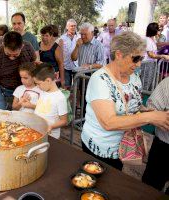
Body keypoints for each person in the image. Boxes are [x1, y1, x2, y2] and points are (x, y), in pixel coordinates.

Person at [80, 31, 169, 170]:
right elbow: (108, 122)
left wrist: (148, 111)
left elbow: (133, 105)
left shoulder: (134, 77)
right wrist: (149, 117)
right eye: (136, 58)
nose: (139, 64)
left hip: (121, 150)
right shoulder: (100, 79)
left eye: (142, 58)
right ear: (119, 55)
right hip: (100, 150)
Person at [142, 77, 169, 194]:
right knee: (149, 189)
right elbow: (151, 107)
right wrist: (162, 117)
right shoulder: (167, 83)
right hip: (163, 148)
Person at [32, 63, 68, 139]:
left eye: (38, 84)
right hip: (37, 131)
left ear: (48, 80)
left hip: (51, 135)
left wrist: (51, 126)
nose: (37, 87)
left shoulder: (60, 98)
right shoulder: (43, 91)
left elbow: (64, 121)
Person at [60, 19, 79, 89]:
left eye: (75, 26)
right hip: (66, 67)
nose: (73, 27)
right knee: (66, 88)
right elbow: (60, 54)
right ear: (67, 27)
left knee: (77, 88)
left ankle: (76, 100)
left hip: (77, 66)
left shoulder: (79, 37)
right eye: (71, 26)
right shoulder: (62, 38)